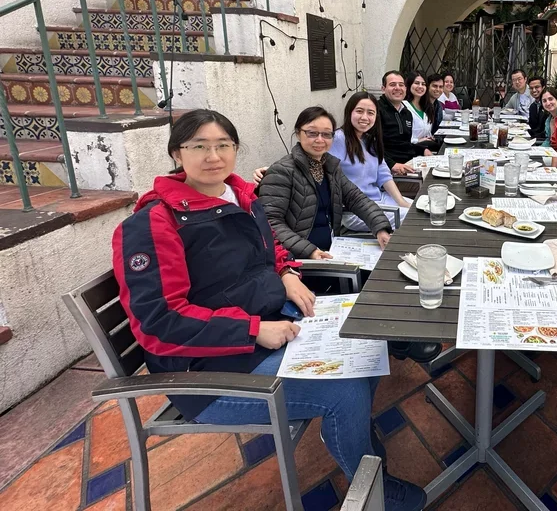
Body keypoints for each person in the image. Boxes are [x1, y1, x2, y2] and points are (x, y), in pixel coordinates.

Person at [111, 109, 427, 510]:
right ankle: (373, 484)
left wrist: (286, 273)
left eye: (223, 145)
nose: (213, 156)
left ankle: (348, 436)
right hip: (208, 373)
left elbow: (268, 249)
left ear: (236, 149)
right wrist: (251, 329)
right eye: (199, 147)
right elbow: (158, 322)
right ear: (177, 153)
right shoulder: (155, 223)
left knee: (366, 346)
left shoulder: (238, 196)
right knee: (345, 393)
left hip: (272, 326)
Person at [258, 106, 393, 260]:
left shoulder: (330, 166)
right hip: (300, 259)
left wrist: (380, 228)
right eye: (312, 133)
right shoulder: (282, 171)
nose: (320, 140)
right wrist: (310, 251)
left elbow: (355, 198)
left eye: (327, 134)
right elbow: (270, 222)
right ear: (297, 133)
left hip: (334, 248)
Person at [332, 92, 412, 231]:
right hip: (356, 211)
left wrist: (401, 202)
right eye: (359, 111)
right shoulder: (337, 140)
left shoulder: (369, 140)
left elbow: (384, 174)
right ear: (349, 112)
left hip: (379, 199)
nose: (365, 117)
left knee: (422, 209)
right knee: (415, 218)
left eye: (370, 113)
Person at [378, 70, 432, 172]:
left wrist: (422, 150)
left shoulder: (407, 114)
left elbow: (405, 144)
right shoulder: (376, 111)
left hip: (410, 162)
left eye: (401, 85)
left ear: (405, 89)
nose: (397, 88)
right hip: (389, 169)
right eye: (392, 84)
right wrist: (392, 165)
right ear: (383, 89)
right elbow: (371, 147)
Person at [403, 72, 440, 147]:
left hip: (427, 149)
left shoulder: (427, 107)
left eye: (423, 84)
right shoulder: (403, 107)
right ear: (409, 85)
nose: (420, 86)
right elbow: (401, 138)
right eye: (416, 83)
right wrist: (418, 141)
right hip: (410, 150)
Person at [526, 76, 548, 140]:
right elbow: (532, 127)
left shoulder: (548, 106)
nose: (534, 90)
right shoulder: (533, 106)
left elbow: (544, 131)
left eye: (537, 87)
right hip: (534, 139)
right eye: (531, 88)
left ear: (543, 87)